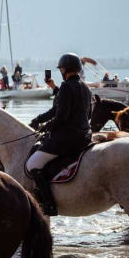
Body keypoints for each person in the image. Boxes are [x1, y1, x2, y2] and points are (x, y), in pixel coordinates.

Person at [27, 53, 92, 216]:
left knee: (32, 164)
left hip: (67, 139)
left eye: (61, 69)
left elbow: (61, 116)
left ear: (64, 69)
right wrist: (39, 119)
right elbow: (62, 110)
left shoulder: (66, 87)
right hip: (85, 136)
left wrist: (46, 127)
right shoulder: (85, 87)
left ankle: (49, 205)